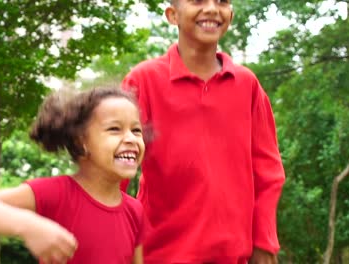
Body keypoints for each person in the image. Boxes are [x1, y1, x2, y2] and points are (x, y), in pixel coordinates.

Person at [121, 0, 285, 263]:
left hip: (234, 257)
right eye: (197, 1)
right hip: (160, 255)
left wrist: (263, 243)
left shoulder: (247, 85)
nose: (211, 8)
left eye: (221, 1)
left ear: (230, 14)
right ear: (172, 15)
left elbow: (268, 171)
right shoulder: (143, 80)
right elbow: (114, 168)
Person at [0, 87, 145, 264]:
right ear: (81, 142)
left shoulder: (134, 210)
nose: (130, 138)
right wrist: (29, 226)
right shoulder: (58, 193)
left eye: (136, 130)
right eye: (114, 129)